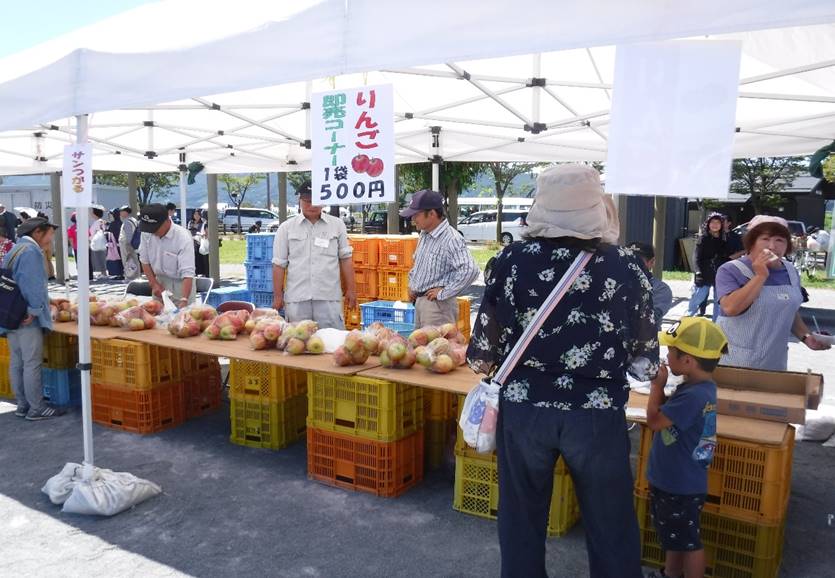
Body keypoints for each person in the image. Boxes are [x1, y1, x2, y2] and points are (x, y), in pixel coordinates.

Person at [467, 165, 658, 578]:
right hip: (596, 412)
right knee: (610, 522)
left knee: (521, 518)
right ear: (596, 206)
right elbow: (644, 358)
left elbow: (483, 349)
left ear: (542, 204)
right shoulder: (627, 265)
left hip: (525, 409)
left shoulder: (511, 260)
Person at [646, 317, 726, 578]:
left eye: (671, 351)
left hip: (678, 484)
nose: (666, 357)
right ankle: (670, 573)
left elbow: (655, 421)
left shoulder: (693, 396)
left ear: (688, 361)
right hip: (682, 479)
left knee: (689, 542)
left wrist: (656, 386)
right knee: (677, 536)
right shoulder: (701, 388)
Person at [716, 215, 829, 370]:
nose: (772, 246)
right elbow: (731, 308)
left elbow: (788, 310)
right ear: (752, 242)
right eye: (765, 239)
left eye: (780, 240)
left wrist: (807, 337)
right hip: (733, 362)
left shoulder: (790, 270)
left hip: (775, 362)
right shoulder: (731, 269)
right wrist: (760, 276)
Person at [0, 217, 63, 420]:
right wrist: (35, 310)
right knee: (31, 363)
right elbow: (32, 284)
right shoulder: (31, 252)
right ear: (37, 232)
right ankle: (37, 408)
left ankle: (22, 405)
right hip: (25, 316)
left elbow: (17, 281)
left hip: (11, 313)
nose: (51, 238)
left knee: (17, 362)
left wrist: (48, 300)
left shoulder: (16, 249)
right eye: (50, 234)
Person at [272, 181, 356, 329]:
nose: (312, 205)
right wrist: (278, 296)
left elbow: (346, 259)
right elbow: (279, 264)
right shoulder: (286, 228)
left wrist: (351, 289)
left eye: (316, 201)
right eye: (307, 201)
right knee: (297, 339)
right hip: (297, 299)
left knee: (331, 340)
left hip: (329, 298)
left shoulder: (337, 225)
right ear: (299, 200)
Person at [401, 189, 479, 327]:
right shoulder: (424, 234)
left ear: (432, 214)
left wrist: (443, 293)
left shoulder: (451, 238)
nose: (413, 219)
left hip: (437, 307)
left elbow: (470, 270)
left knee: (435, 342)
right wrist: (412, 285)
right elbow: (419, 264)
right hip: (421, 302)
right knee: (419, 342)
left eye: (416, 215)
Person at [138, 203, 196, 308]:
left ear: (166, 221)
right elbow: (144, 261)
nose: (152, 232)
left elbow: (188, 273)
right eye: (149, 229)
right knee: (158, 316)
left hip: (181, 286)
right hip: (159, 282)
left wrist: (184, 300)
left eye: (155, 228)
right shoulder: (147, 233)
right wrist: (154, 284)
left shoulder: (183, 237)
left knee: (182, 317)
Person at [686, 213, 727, 320]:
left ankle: (716, 323)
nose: (715, 225)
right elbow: (696, 257)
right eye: (712, 222)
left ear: (721, 225)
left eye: (718, 222)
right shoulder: (703, 238)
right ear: (708, 224)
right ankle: (686, 320)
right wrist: (698, 272)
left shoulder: (724, 239)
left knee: (719, 301)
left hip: (719, 273)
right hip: (704, 273)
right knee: (697, 298)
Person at [628, 241, 673, 331]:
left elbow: (650, 318)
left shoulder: (660, 289)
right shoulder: (612, 283)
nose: (631, 265)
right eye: (627, 260)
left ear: (652, 262)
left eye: (638, 261)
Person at [118, 206, 141, 281]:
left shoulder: (127, 222)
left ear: (125, 212)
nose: (120, 213)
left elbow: (129, 235)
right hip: (132, 244)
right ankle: (135, 276)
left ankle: (130, 277)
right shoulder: (133, 220)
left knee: (128, 261)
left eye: (121, 211)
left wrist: (128, 246)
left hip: (127, 244)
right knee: (134, 260)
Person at [188, 209, 210, 277]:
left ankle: (204, 273)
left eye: (198, 214)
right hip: (193, 241)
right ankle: (197, 272)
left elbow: (206, 233)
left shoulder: (204, 222)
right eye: (195, 214)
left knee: (203, 258)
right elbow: (189, 230)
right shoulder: (191, 222)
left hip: (201, 242)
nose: (196, 216)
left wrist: (200, 234)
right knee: (195, 258)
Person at [89, 206, 108, 280]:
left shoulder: (97, 222)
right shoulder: (101, 221)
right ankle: (103, 272)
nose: (91, 213)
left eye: (92, 212)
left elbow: (95, 232)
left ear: (95, 213)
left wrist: (90, 239)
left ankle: (103, 273)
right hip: (101, 241)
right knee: (101, 257)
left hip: (97, 242)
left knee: (99, 257)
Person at [105, 208, 124, 279]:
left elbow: (108, 233)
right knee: (121, 259)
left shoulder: (113, 224)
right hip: (120, 244)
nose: (110, 217)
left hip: (115, 245)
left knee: (116, 259)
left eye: (111, 216)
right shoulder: (121, 223)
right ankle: (122, 274)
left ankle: (119, 274)